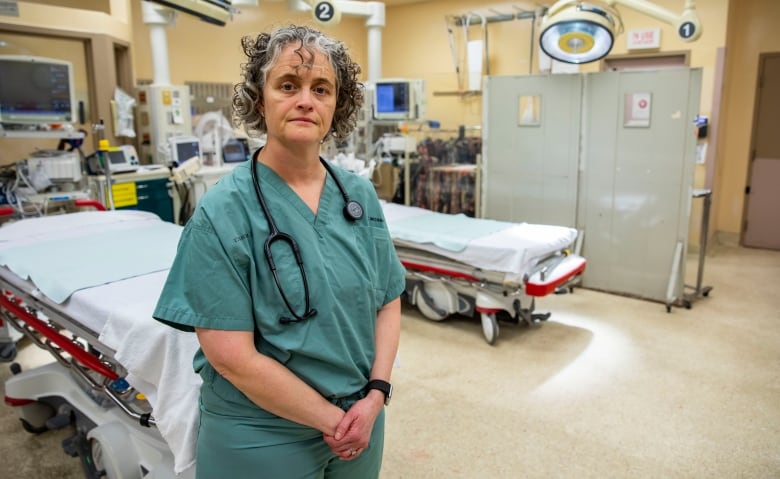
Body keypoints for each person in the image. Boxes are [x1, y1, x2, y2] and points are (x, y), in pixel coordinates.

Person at [153, 24, 406, 479]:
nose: (306, 100)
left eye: (321, 88)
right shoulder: (223, 212)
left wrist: (375, 396)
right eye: (288, 85)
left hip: (361, 419)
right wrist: (336, 421)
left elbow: (387, 298)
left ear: (337, 105)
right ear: (259, 99)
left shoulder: (358, 195)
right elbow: (231, 356)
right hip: (261, 432)